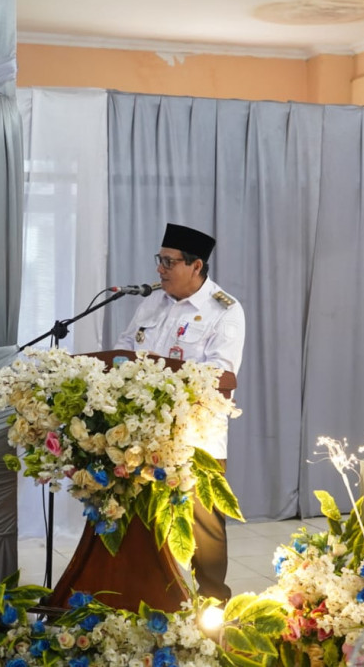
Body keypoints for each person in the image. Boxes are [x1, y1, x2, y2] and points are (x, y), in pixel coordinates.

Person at [115, 223, 246, 600]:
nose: (160, 269)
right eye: (160, 260)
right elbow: (125, 348)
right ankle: (150, 592)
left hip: (195, 434)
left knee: (203, 523)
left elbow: (220, 372)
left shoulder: (225, 310)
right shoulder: (153, 301)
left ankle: (211, 601)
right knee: (143, 515)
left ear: (196, 265)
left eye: (169, 262)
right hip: (143, 431)